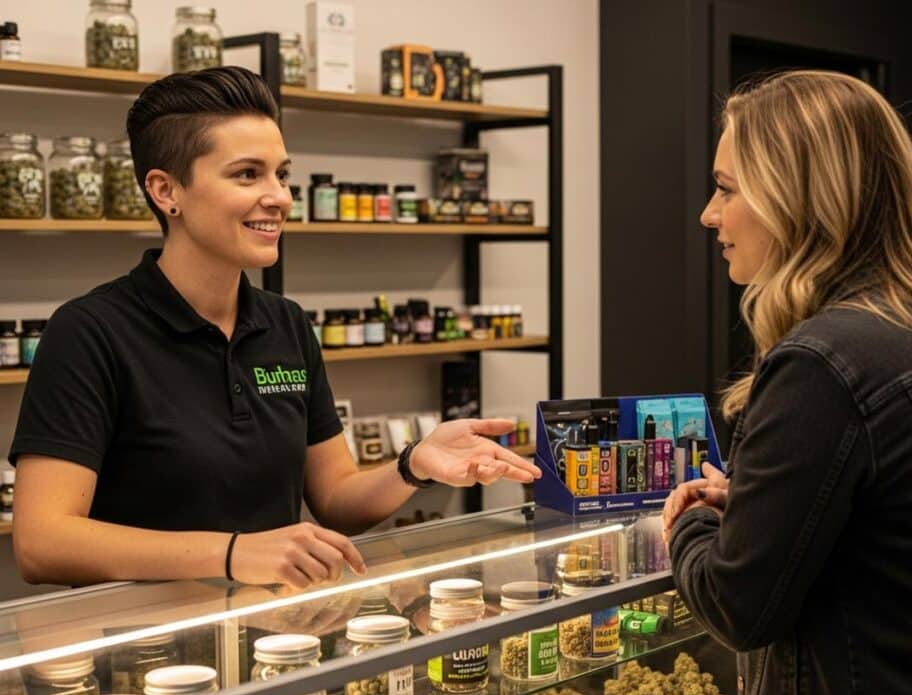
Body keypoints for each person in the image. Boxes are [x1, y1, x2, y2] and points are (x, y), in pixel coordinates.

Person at [9, 67, 541, 590]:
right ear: (166, 190)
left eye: (281, 174)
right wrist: (235, 552)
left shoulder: (284, 322)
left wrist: (413, 464)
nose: (280, 197)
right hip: (147, 655)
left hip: (275, 640)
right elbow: (43, 543)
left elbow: (335, 499)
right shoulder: (90, 332)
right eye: (247, 174)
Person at [662, 70, 912, 695]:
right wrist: (768, 507)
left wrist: (694, 526)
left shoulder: (822, 361)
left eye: (728, 188)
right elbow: (895, 524)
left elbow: (740, 606)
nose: (710, 214)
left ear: (797, 198)